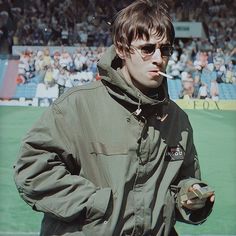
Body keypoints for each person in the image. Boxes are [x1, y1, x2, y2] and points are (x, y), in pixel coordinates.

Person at [14, 1, 215, 235]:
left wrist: (189, 196)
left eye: (166, 49)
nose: (159, 58)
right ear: (121, 48)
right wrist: (99, 204)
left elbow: (183, 181)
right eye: (148, 49)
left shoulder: (178, 119)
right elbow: (32, 170)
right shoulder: (76, 106)